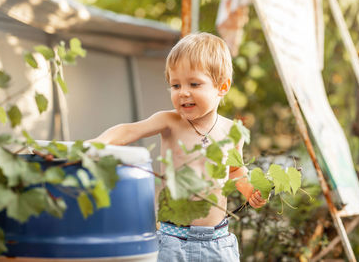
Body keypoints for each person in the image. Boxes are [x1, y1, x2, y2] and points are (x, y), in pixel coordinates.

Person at [89, 32, 266, 262]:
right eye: (175, 85)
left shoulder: (232, 131)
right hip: (172, 242)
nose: (183, 92)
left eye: (194, 83)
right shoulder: (170, 122)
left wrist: (250, 190)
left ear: (222, 87)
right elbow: (127, 131)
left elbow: (234, 171)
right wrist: (90, 147)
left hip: (217, 243)